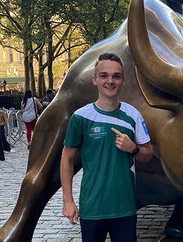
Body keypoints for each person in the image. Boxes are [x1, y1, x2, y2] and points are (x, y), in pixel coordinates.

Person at [60, 53, 152, 242]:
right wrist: (67, 201)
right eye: (104, 75)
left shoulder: (133, 115)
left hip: (125, 207)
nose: (110, 81)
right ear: (95, 79)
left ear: (123, 80)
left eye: (116, 76)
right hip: (92, 208)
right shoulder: (80, 117)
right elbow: (67, 158)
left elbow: (147, 154)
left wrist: (133, 148)